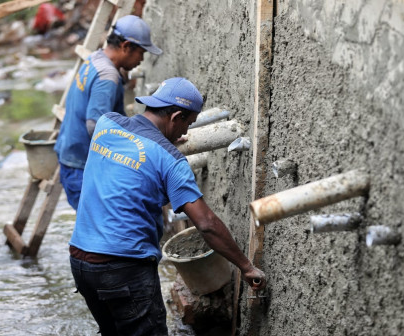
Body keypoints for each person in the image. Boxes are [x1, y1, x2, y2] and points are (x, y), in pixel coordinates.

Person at [69, 77, 267, 335]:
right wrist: (246, 266)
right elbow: (206, 224)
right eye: (187, 124)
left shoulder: (106, 125)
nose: (185, 134)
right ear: (176, 116)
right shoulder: (171, 161)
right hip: (123, 268)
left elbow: (130, 174)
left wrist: (161, 144)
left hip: (81, 262)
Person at [54, 15, 162, 210]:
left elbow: (114, 121)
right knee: (99, 230)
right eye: (141, 53)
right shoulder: (108, 77)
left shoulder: (95, 58)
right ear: (126, 46)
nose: (141, 60)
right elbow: (96, 127)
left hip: (70, 155)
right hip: (82, 168)